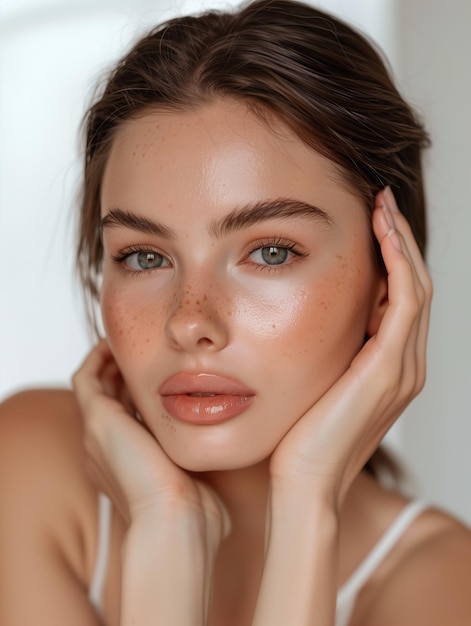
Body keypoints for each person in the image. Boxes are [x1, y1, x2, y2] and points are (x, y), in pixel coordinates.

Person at [1, 0, 471, 624]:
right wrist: (166, 528)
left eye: (270, 252)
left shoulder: (442, 586)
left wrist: (309, 501)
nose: (190, 321)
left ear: (388, 285)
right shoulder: (29, 464)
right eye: (144, 257)